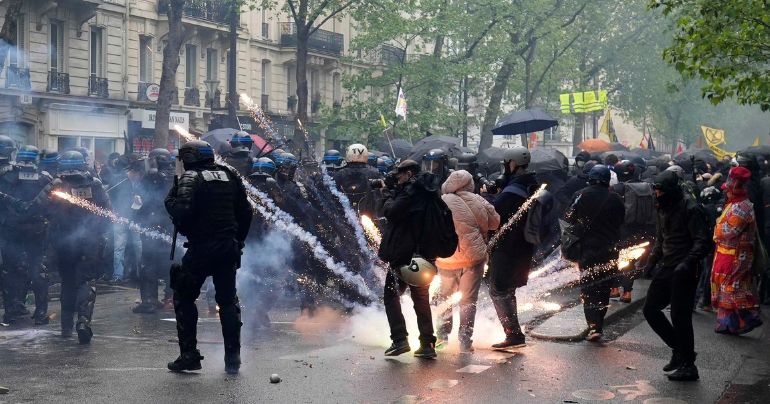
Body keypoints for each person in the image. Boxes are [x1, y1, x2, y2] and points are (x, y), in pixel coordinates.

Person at [165, 140, 252, 374]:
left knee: (183, 296)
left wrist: (170, 198)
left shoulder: (192, 177)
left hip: (202, 248)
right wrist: (238, 240)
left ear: (190, 158)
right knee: (227, 301)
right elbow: (246, 211)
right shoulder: (229, 174)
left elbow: (179, 209)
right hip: (227, 248)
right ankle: (233, 359)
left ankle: (189, 355)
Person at [643, 170, 710, 382]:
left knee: (680, 316)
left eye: (661, 191)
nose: (657, 194)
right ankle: (680, 350)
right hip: (667, 266)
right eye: (656, 190)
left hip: (685, 269)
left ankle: (688, 365)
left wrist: (687, 263)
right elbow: (661, 239)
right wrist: (650, 263)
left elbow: (702, 241)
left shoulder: (691, 208)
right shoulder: (662, 207)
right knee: (650, 310)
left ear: (671, 191)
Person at [47, 150, 112, 344]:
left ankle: (66, 326)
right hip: (90, 241)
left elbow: (46, 211)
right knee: (86, 281)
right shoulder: (95, 184)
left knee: (67, 281)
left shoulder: (56, 185)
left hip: (63, 242)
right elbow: (109, 213)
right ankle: (83, 322)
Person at [378, 159, 438, 359]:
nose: (398, 177)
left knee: (391, 296)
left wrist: (387, 193)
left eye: (400, 174)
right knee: (421, 300)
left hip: (404, 256)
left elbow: (390, 212)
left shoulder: (411, 193)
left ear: (410, 173)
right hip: (425, 255)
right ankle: (427, 343)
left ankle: (399, 339)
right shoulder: (429, 191)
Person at [434, 170, 500, 352]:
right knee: (468, 300)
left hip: (446, 257)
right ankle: (465, 340)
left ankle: (441, 337)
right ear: (469, 184)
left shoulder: (441, 201)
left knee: (444, 298)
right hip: (473, 259)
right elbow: (495, 222)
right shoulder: (478, 200)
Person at [564, 164, 625, 342]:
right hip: (610, 249)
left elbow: (568, 217)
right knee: (604, 287)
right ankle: (599, 324)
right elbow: (621, 220)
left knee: (588, 288)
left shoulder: (580, 195)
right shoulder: (615, 198)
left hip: (587, 249)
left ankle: (593, 327)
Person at [487, 147, 538, 349]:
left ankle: (514, 335)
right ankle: (515, 333)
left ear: (513, 164)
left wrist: (490, 198)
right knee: (508, 290)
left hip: (507, 247)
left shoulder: (512, 192)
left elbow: (495, 216)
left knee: (498, 290)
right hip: (523, 247)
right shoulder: (530, 185)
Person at [0, 145, 53, 325]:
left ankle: (11, 312)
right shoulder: (45, 178)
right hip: (36, 230)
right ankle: (40, 313)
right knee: (37, 268)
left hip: (11, 231)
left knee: (10, 270)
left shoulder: (6, 176)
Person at [711, 166, 763, 335]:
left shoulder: (742, 207)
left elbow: (729, 231)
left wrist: (716, 229)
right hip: (727, 254)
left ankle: (747, 318)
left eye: (728, 190)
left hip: (736, 256)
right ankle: (728, 324)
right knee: (725, 287)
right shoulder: (733, 204)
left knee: (732, 288)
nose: (725, 193)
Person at [133, 149, 176, 313]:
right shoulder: (177, 176)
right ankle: (171, 299)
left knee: (149, 262)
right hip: (172, 227)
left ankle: (150, 300)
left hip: (152, 226)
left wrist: (137, 218)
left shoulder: (149, 178)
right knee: (172, 263)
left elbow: (139, 201)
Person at [610, 160, 656, 303]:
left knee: (616, 259)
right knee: (630, 261)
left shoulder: (617, 189)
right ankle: (627, 292)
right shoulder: (647, 187)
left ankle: (615, 288)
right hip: (642, 230)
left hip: (622, 230)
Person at [334, 143, 381, 218]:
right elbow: (379, 196)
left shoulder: (339, 173)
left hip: (344, 215)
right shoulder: (374, 173)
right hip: (369, 214)